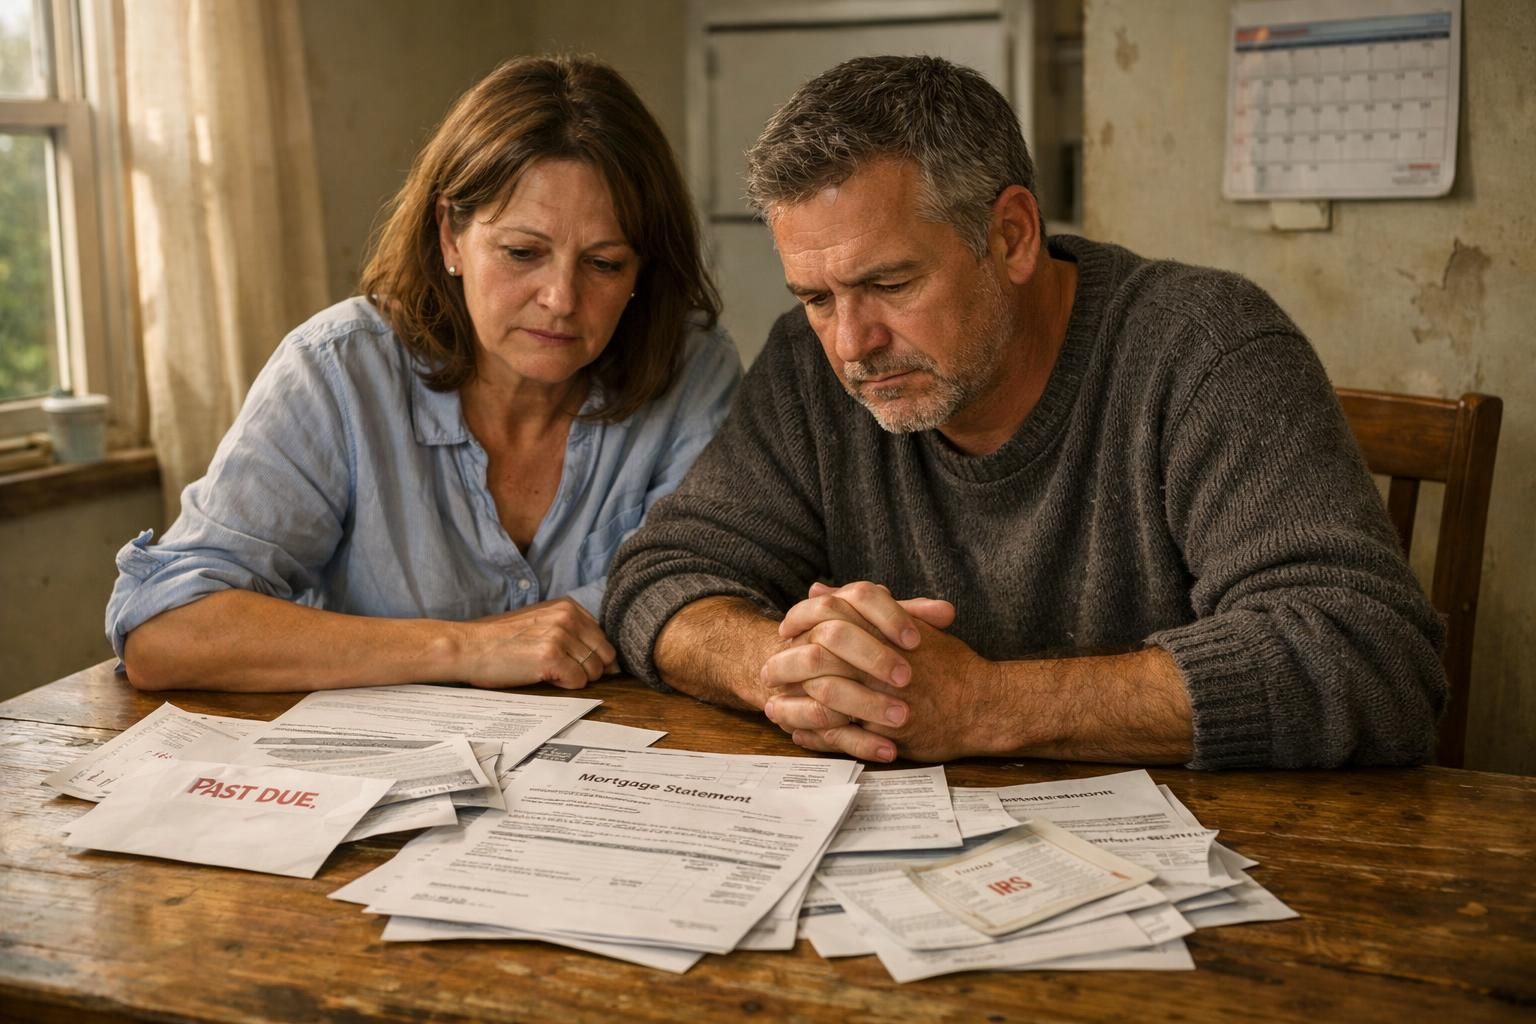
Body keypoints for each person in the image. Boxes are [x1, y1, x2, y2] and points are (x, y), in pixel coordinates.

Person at [601, 55, 1446, 769]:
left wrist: (984, 705)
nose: (851, 344)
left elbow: (1367, 653)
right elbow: (659, 577)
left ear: (1010, 235)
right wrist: (785, 670)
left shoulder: (1206, 348)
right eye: (817, 297)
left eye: (890, 284)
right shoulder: (805, 364)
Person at [108, 56, 740, 693]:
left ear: (641, 270)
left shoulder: (692, 369)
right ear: (450, 236)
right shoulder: (338, 371)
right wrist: (462, 646)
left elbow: (716, 588)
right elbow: (163, 632)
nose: (561, 298)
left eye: (604, 264)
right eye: (523, 253)